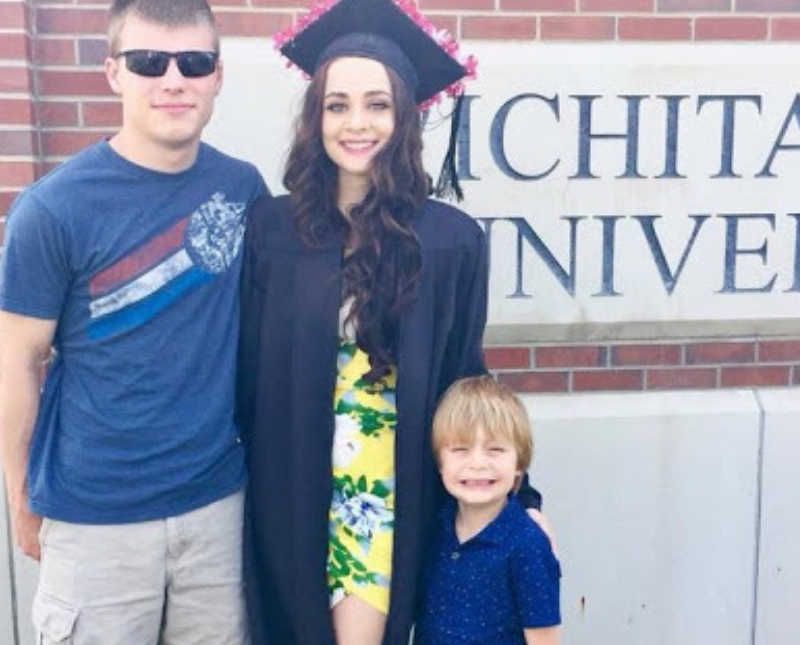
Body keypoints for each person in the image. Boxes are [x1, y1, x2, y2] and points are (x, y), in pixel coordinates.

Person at [237, 0, 549, 643]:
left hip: (380, 494)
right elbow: (242, 372)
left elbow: (466, 373)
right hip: (284, 488)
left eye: (377, 105)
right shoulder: (271, 230)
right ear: (315, 116)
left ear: (405, 117)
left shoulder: (451, 241)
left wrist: (521, 495)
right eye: (338, 104)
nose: (357, 123)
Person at [0, 1, 266, 643]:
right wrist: (19, 497)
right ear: (113, 72)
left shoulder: (243, 190)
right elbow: (16, 361)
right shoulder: (53, 210)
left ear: (217, 75)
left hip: (216, 512)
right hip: (96, 520)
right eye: (149, 62)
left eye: (194, 62)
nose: (173, 80)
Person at [415, 375, 561, 645]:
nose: (478, 463)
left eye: (495, 449)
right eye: (460, 449)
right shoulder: (434, 529)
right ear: (439, 463)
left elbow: (544, 639)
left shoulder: (527, 544)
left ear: (520, 463)